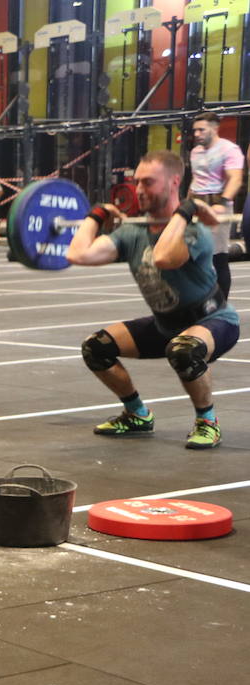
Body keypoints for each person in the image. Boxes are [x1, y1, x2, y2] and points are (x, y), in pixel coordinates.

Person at [65, 149, 235, 450]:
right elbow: (78, 253)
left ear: (174, 182)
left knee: (183, 351)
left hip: (211, 322)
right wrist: (97, 214)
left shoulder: (195, 231)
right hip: (165, 325)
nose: (139, 189)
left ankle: (207, 421)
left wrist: (184, 212)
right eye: (137, 182)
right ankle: (137, 415)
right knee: (96, 348)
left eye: (148, 182)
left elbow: (164, 256)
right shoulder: (132, 232)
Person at [188, 111, 243, 301]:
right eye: (195, 131)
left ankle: (221, 303)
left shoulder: (230, 149)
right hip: (196, 204)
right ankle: (198, 299)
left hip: (217, 204)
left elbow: (235, 178)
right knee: (194, 256)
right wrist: (185, 205)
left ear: (214, 128)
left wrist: (222, 203)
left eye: (201, 130)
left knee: (217, 256)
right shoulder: (195, 152)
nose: (196, 134)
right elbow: (196, 180)